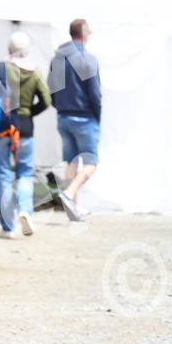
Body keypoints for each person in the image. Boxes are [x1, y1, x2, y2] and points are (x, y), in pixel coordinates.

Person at [0, 32, 51, 237]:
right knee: (25, 173)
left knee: (3, 175)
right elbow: (46, 100)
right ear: (28, 51)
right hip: (25, 128)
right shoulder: (35, 72)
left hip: (1, 127)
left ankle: (8, 227)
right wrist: (29, 113)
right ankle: (25, 211)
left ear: (9, 50)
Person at [48, 19, 102, 222]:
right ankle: (69, 194)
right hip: (84, 117)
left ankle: (74, 209)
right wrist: (97, 116)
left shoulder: (57, 59)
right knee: (91, 163)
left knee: (71, 161)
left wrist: (60, 106)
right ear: (84, 34)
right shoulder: (88, 59)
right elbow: (95, 94)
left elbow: (51, 88)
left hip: (63, 116)